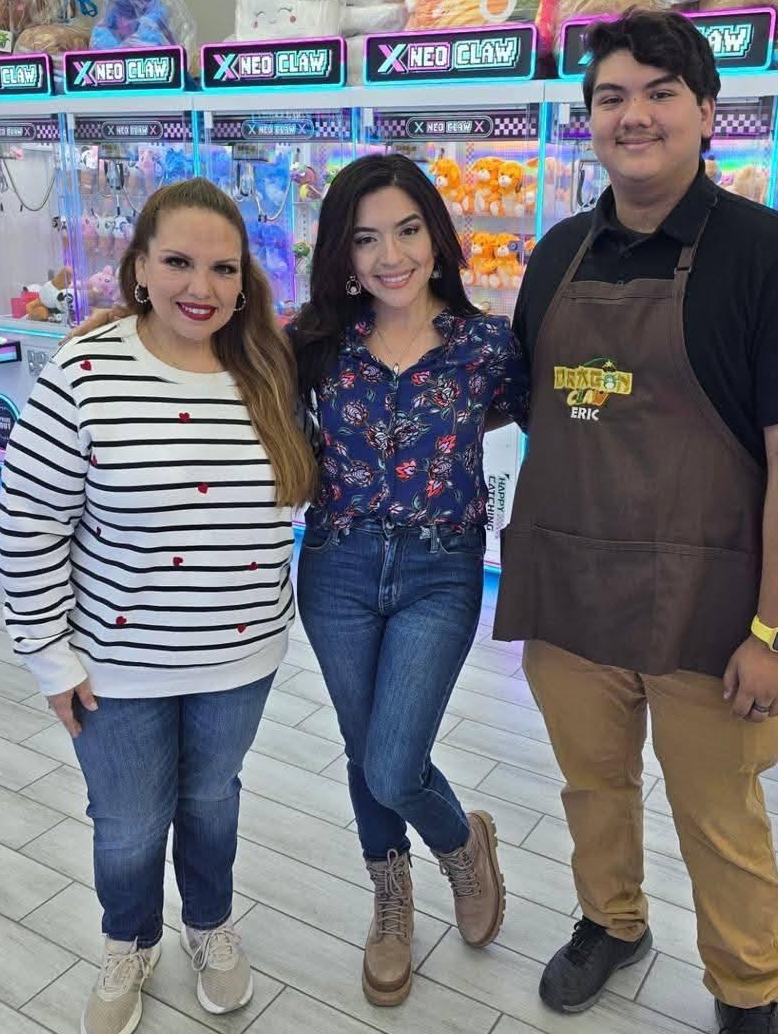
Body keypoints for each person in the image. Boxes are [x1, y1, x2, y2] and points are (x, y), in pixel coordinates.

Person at [493, 12, 778, 1034]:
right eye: (612, 97)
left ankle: (747, 991)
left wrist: (777, 634)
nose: (635, 115)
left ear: (707, 112)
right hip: (572, 595)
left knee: (720, 816)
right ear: (588, 120)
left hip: (712, 610)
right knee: (591, 787)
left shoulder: (770, 257)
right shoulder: (558, 254)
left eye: (660, 93)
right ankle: (611, 923)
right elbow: (536, 408)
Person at [0, 178, 316, 1034]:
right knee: (130, 824)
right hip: (118, 665)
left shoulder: (269, 369)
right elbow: (28, 525)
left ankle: (209, 925)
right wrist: (48, 656)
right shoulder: (83, 373)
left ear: (245, 279)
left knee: (212, 802)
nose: (200, 287)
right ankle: (128, 940)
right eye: (177, 262)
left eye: (223, 268)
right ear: (137, 267)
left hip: (240, 656)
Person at [290, 153, 528, 1005]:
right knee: (364, 748)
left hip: (440, 569)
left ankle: (462, 846)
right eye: (365, 239)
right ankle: (390, 898)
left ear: (437, 236)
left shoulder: (487, 344)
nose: (389, 256)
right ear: (342, 253)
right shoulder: (313, 342)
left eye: (407, 231)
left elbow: (533, 417)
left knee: (393, 763)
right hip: (336, 566)